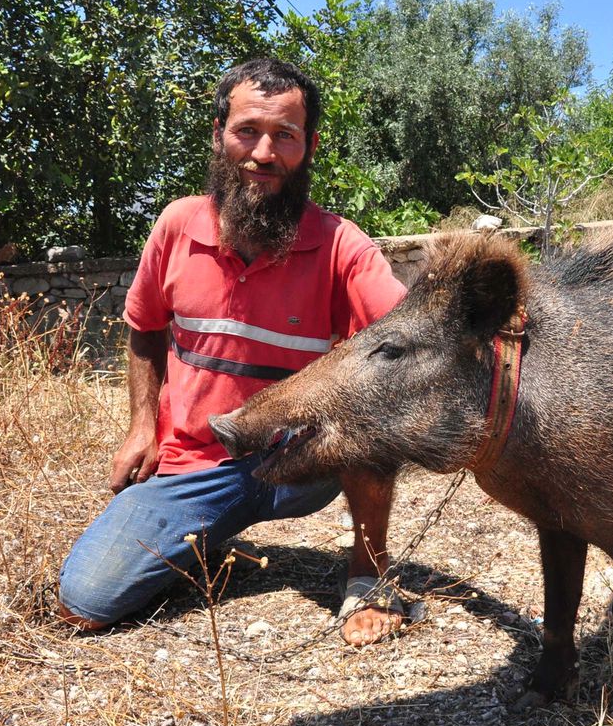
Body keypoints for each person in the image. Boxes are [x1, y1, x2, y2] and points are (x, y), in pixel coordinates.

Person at [57, 59, 407, 646]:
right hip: (198, 463)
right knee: (85, 602)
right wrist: (141, 424)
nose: (264, 153)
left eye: (285, 136)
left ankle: (368, 577)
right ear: (218, 135)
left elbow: (408, 330)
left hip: (302, 460)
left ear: (309, 146)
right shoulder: (175, 226)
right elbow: (144, 329)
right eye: (247, 131)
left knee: (369, 401)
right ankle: (210, 531)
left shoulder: (342, 245)